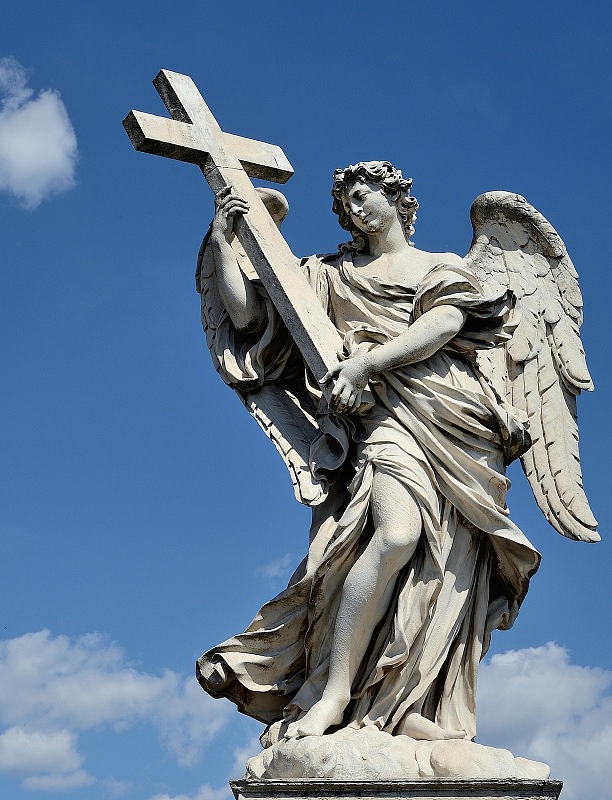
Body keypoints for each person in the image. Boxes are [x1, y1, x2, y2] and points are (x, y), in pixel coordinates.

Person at [195, 161, 541, 743]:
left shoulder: (441, 266)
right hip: (382, 415)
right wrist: (224, 243)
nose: (354, 208)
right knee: (398, 534)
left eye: (364, 195)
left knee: (446, 564)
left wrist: (368, 362)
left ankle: (407, 702)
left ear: (397, 198)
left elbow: (445, 324)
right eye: (346, 202)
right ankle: (334, 694)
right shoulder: (327, 276)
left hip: (457, 416)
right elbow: (250, 317)